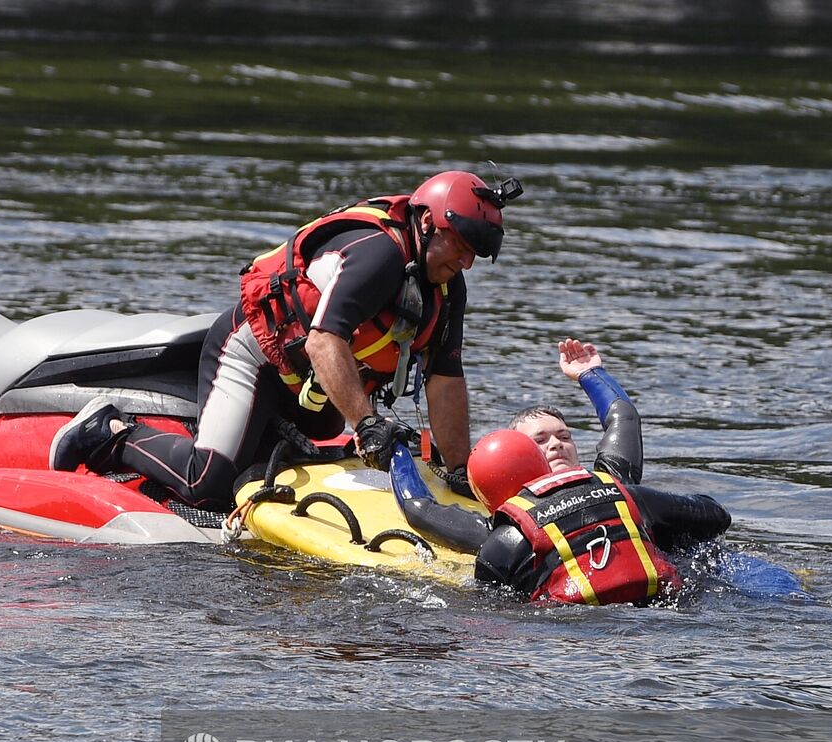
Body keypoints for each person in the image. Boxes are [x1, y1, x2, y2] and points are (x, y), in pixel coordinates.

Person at [48, 170, 524, 509]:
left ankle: (257, 434)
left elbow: (446, 377)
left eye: (476, 253)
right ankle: (110, 433)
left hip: (311, 392)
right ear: (425, 223)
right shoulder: (379, 254)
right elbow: (323, 341)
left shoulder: (445, 287)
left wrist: (460, 472)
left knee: (316, 442)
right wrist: (367, 425)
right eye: (459, 245)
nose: (465, 262)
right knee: (209, 483)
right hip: (253, 355)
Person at [390, 339, 733, 605]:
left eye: (564, 436)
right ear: (512, 459)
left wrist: (393, 449)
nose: (556, 444)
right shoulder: (624, 490)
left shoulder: (503, 537)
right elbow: (623, 416)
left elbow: (419, 509)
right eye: (539, 441)